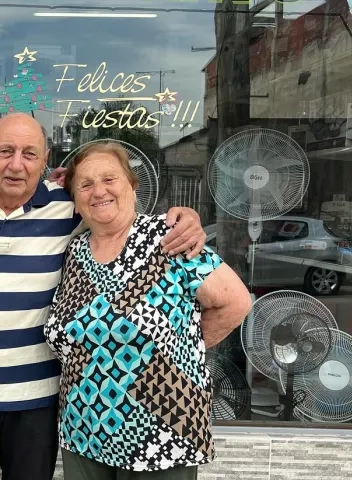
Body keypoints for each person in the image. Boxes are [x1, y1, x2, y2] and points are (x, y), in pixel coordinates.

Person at [0, 113, 208, 480]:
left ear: (45, 161)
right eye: (5, 151)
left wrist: (184, 218)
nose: (16, 164)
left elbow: (117, 214)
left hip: (38, 397)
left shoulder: (70, 207)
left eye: (30, 154)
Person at [43, 141, 252, 480]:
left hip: (162, 432)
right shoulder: (71, 252)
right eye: (85, 184)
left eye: (110, 179)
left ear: (132, 186)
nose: (99, 191)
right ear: (76, 201)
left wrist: (179, 352)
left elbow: (236, 302)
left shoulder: (169, 237)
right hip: (82, 432)